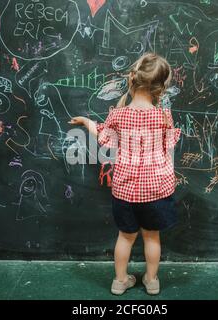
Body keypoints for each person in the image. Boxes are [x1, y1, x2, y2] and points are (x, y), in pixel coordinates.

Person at [69, 53, 181, 295]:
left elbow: (103, 136)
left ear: (132, 80)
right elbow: (169, 147)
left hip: (125, 191)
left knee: (125, 237)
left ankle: (120, 281)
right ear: (161, 88)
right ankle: (151, 281)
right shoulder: (163, 116)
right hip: (156, 190)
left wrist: (86, 122)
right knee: (152, 238)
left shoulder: (118, 115)